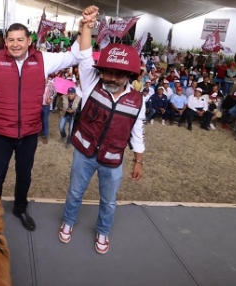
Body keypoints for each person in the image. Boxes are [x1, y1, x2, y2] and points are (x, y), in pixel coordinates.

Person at [0, 21, 80, 231]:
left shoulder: (43, 59)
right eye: (11, 40)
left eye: (20, 39)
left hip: (28, 131)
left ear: (29, 41)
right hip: (1, 132)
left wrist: (84, 27)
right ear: (5, 42)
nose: (15, 44)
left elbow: (74, 55)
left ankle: (20, 208)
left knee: (24, 174)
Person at [58, 5, 145, 254]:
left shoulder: (138, 101)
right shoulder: (91, 82)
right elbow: (85, 54)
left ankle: (103, 232)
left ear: (129, 75)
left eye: (118, 74)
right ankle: (68, 222)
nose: (112, 78)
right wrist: (87, 25)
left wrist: (138, 160)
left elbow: (137, 132)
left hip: (113, 159)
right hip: (84, 153)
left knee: (108, 201)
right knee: (75, 192)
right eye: (108, 71)